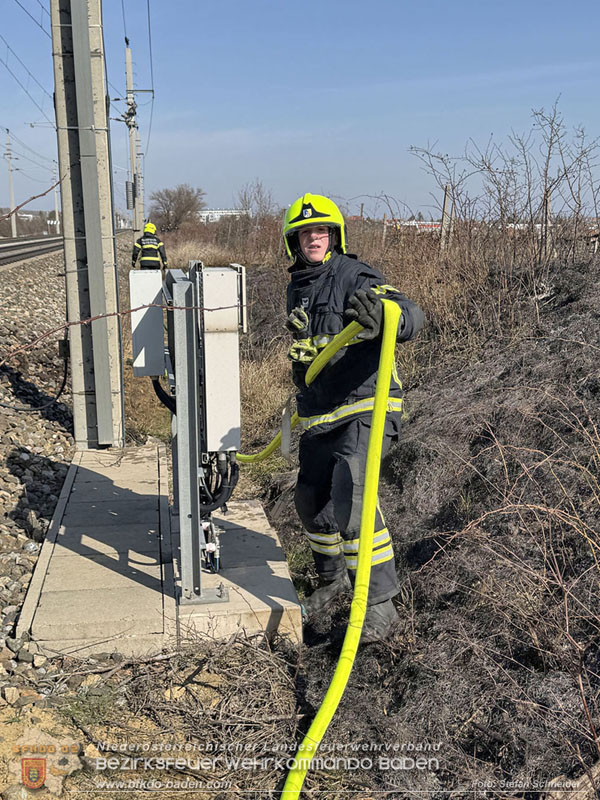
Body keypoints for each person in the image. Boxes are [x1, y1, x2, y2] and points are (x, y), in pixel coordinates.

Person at [282, 193, 425, 643]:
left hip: (365, 403)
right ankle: (333, 580)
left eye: (321, 231)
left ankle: (380, 604)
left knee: (352, 495)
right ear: (295, 242)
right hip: (322, 412)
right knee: (309, 499)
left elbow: (409, 312)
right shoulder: (298, 286)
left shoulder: (352, 274)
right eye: (306, 233)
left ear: (335, 236)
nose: (315, 239)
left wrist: (386, 318)